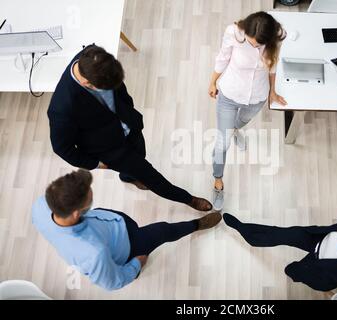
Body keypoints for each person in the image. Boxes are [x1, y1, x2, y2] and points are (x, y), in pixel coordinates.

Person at [48, 45, 212, 212]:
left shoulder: (95, 57)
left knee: (141, 155)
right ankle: (188, 199)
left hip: (130, 126)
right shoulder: (62, 108)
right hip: (111, 150)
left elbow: (119, 88)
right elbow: (62, 148)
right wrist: (96, 164)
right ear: (87, 83)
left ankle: (128, 177)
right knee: (152, 177)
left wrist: (129, 109)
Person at [32, 170, 222, 291]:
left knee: (133, 223)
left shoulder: (41, 206)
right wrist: (135, 265)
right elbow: (112, 282)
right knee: (163, 231)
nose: (92, 193)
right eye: (89, 197)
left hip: (111, 224)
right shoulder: (94, 253)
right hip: (129, 248)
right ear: (75, 213)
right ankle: (197, 225)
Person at [208, 12, 287, 211]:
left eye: (258, 45)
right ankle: (218, 181)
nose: (253, 46)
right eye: (250, 43)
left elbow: (273, 66)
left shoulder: (275, 38)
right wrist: (213, 81)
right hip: (229, 94)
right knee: (222, 144)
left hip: (256, 98)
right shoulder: (234, 33)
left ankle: (233, 130)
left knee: (241, 122)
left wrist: (272, 91)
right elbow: (223, 57)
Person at [223, 212, 337, 300]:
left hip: (319, 272)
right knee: (283, 234)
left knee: (293, 271)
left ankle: (293, 273)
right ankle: (247, 232)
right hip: (316, 238)